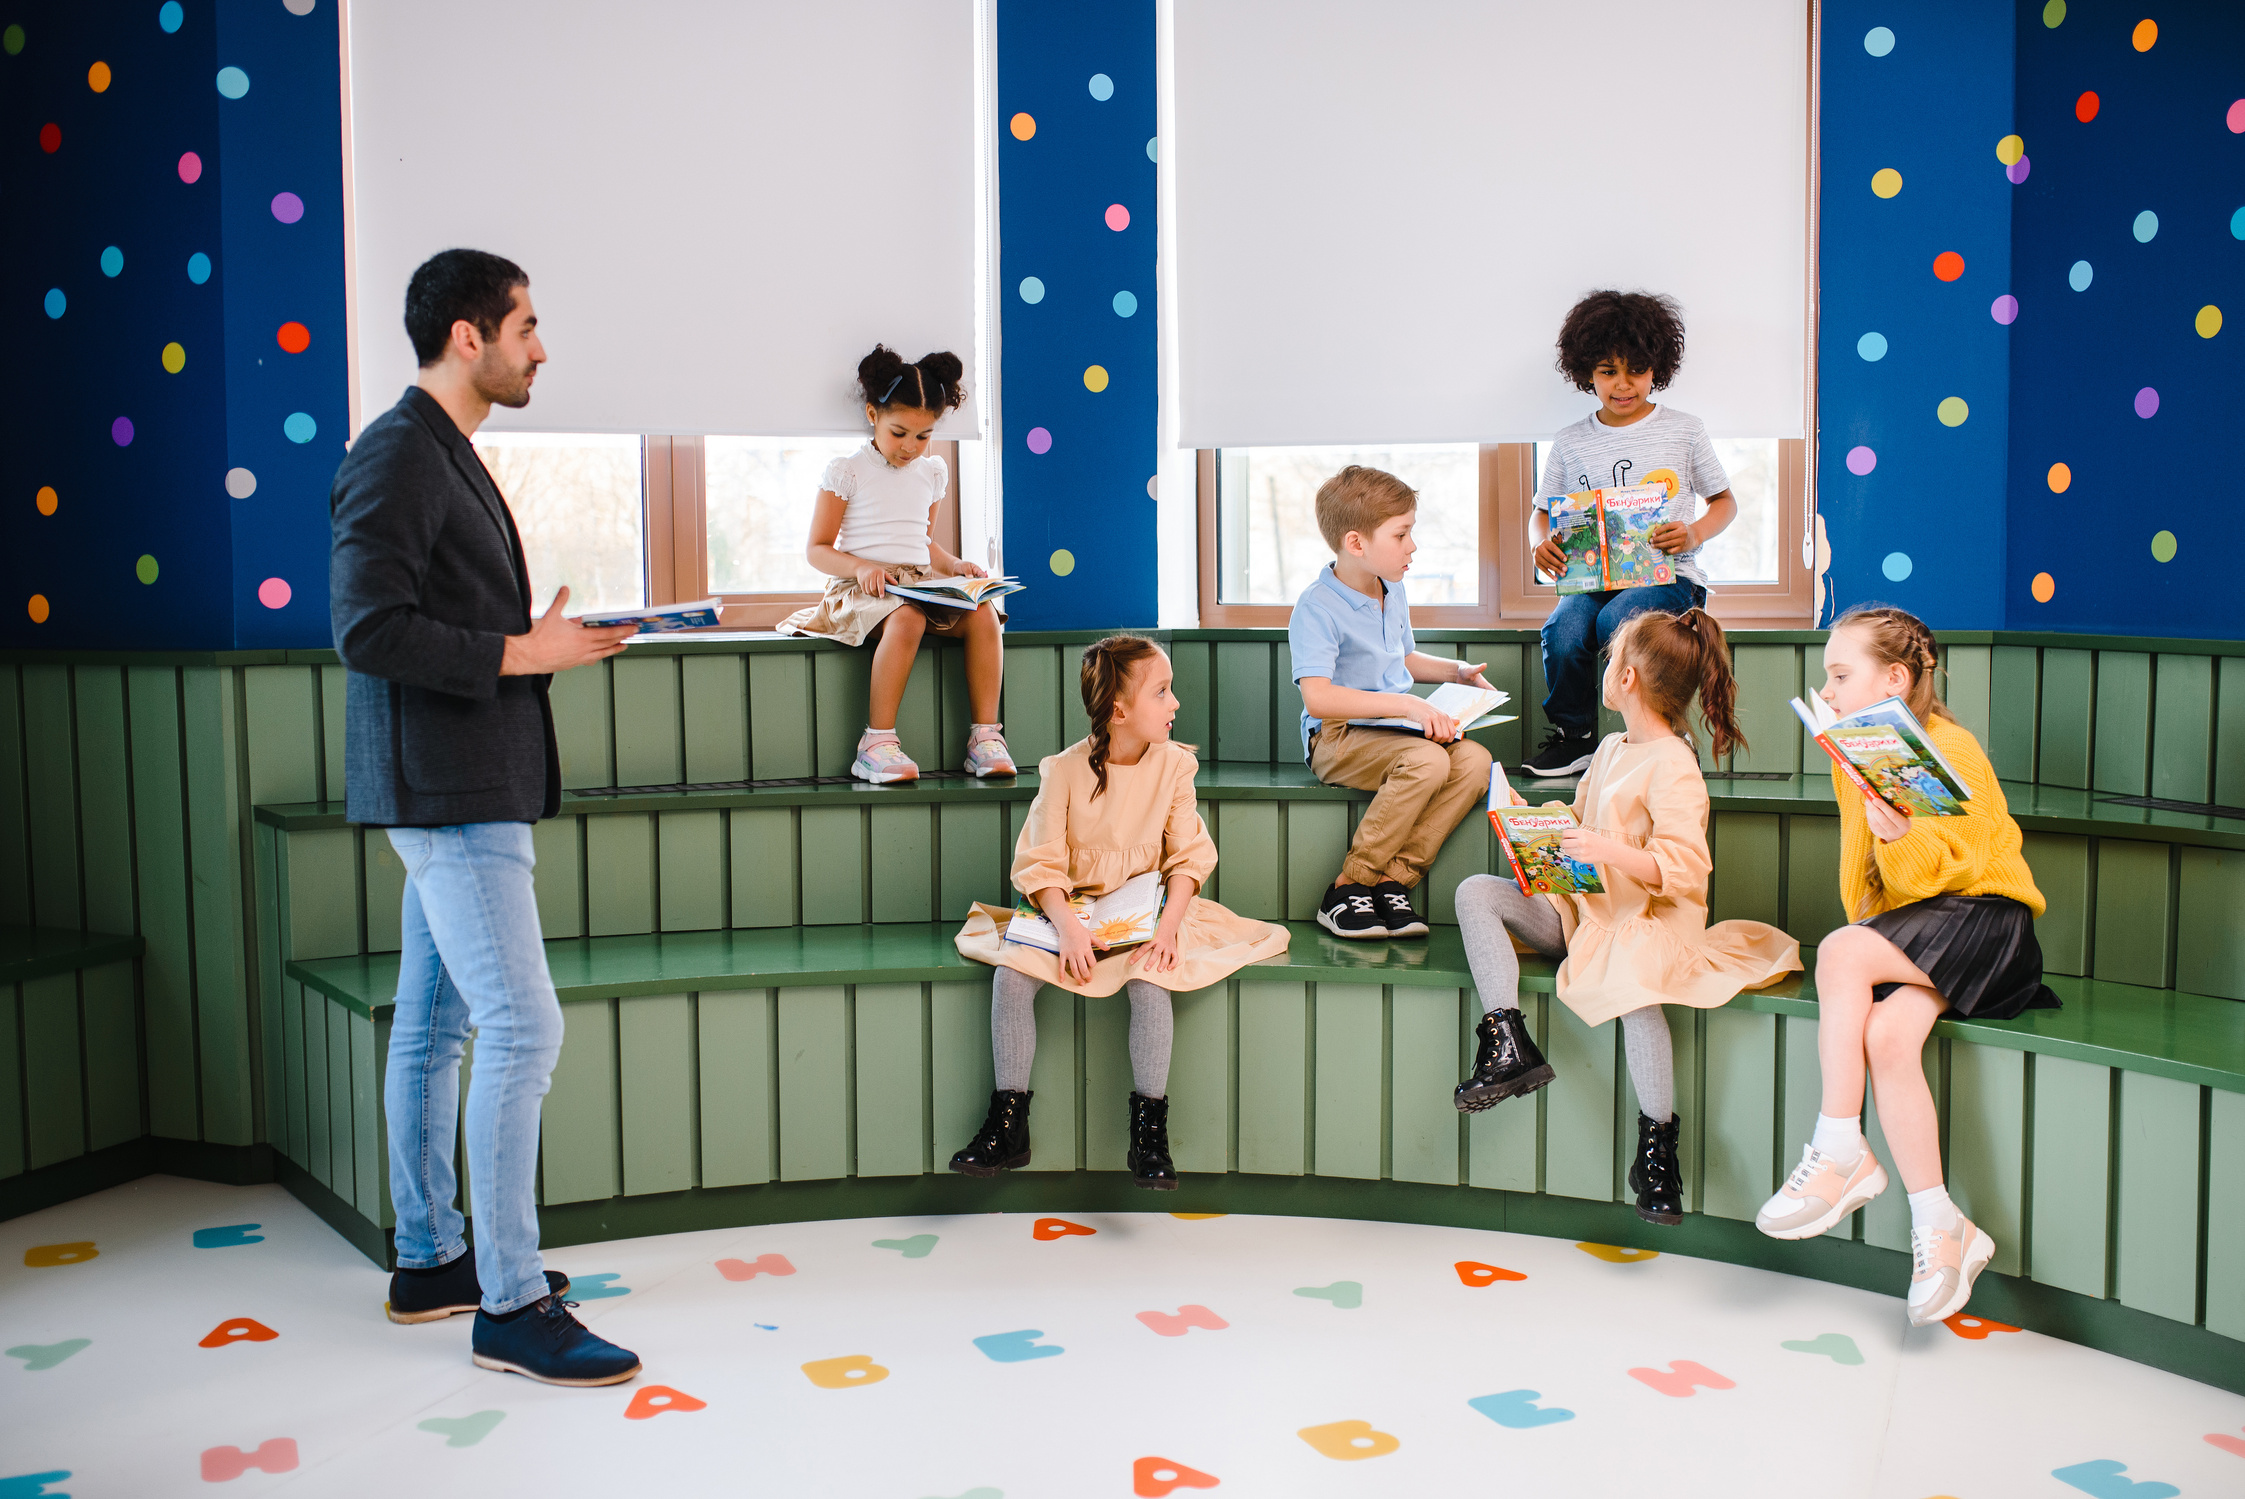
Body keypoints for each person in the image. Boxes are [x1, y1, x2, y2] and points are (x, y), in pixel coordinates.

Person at [329, 248, 642, 1387]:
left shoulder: (438, 452)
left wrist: (539, 647)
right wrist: (526, 650)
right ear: (469, 335)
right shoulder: (399, 452)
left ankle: (432, 1261)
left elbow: (429, 620)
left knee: (437, 1026)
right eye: (526, 326)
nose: (540, 347)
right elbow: (367, 628)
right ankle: (509, 1301)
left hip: (460, 782)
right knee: (524, 1029)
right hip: (450, 793)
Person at [1757, 606, 2058, 1327]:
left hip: (1990, 928)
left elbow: (1957, 872)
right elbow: (1869, 884)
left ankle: (1838, 1145)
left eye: (1839, 674)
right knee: (1887, 1035)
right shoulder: (1856, 751)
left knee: (1837, 948)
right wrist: (1881, 877)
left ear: (1894, 677)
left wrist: (1899, 840)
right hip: (1924, 936)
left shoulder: (1951, 746)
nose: (1825, 689)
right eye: (1825, 675)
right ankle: (1942, 1224)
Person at [1453, 610, 1800, 1226]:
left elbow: (1688, 867)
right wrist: (1537, 833)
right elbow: (1581, 820)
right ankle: (1507, 1040)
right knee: (1476, 892)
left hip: (1647, 925)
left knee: (1636, 984)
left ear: (1630, 678)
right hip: (1586, 914)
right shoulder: (1611, 748)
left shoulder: (1674, 764)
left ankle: (1659, 1150)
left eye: (1610, 661)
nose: (1605, 672)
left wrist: (1606, 850)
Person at [949, 637, 1289, 1188]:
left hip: (1148, 908)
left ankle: (1149, 1131)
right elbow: (1041, 866)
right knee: (1013, 976)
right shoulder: (1062, 771)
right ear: (1119, 710)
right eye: (1162, 692)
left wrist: (1169, 929)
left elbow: (1187, 857)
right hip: (1070, 909)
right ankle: (1007, 1124)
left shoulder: (1175, 765)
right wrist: (1069, 929)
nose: (1175, 703)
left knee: (1151, 978)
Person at [1522, 291, 1740, 778]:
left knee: (1616, 621)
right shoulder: (1571, 441)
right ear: (1586, 374)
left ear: (1656, 368)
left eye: (1636, 370)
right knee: (1565, 627)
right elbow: (1541, 513)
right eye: (1606, 371)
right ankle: (1573, 736)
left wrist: (1693, 533)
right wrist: (1540, 544)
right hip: (1590, 581)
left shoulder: (1684, 431)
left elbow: (1725, 502)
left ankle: (1658, 730)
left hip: (1672, 577)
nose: (1622, 384)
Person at [780, 346, 1012, 783]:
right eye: (899, 432)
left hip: (917, 584)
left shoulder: (931, 473)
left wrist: (955, 565)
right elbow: (817, 548)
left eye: (923, 437)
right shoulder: (848, 471)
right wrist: (861, 567)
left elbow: (922, 544)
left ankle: (985, 737)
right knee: (907, 620)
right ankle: (877, 743)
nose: (910, 447)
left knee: (984, 615)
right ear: (873, 415)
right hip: (861, 588)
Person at [1289, 466, 1496, 939]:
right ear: (1357, 543)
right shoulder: (1316, 606)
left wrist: (1457, 672)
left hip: (1391, 732)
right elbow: (1318, 697)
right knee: (1426, 761)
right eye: (1401, 534)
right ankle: (1346, 888)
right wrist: (1407, 708)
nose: (1412, 546)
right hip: (1337, 737)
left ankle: (1389, 881)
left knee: (1474, 761)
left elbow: (1402, 657)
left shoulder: (1392, 588)